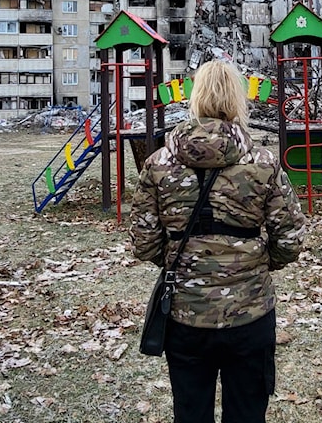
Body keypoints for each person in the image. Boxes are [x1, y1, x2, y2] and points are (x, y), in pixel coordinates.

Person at [131, 60, 306, 423]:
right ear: (237, 99)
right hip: (251, 313)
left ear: (195, 98)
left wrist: (181, 259)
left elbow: (143, 242)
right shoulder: (264, 163)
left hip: (185, 314)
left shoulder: (158, 164)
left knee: (190, 413)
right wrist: (256, 262)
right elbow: (289, 239)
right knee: (247, 413)